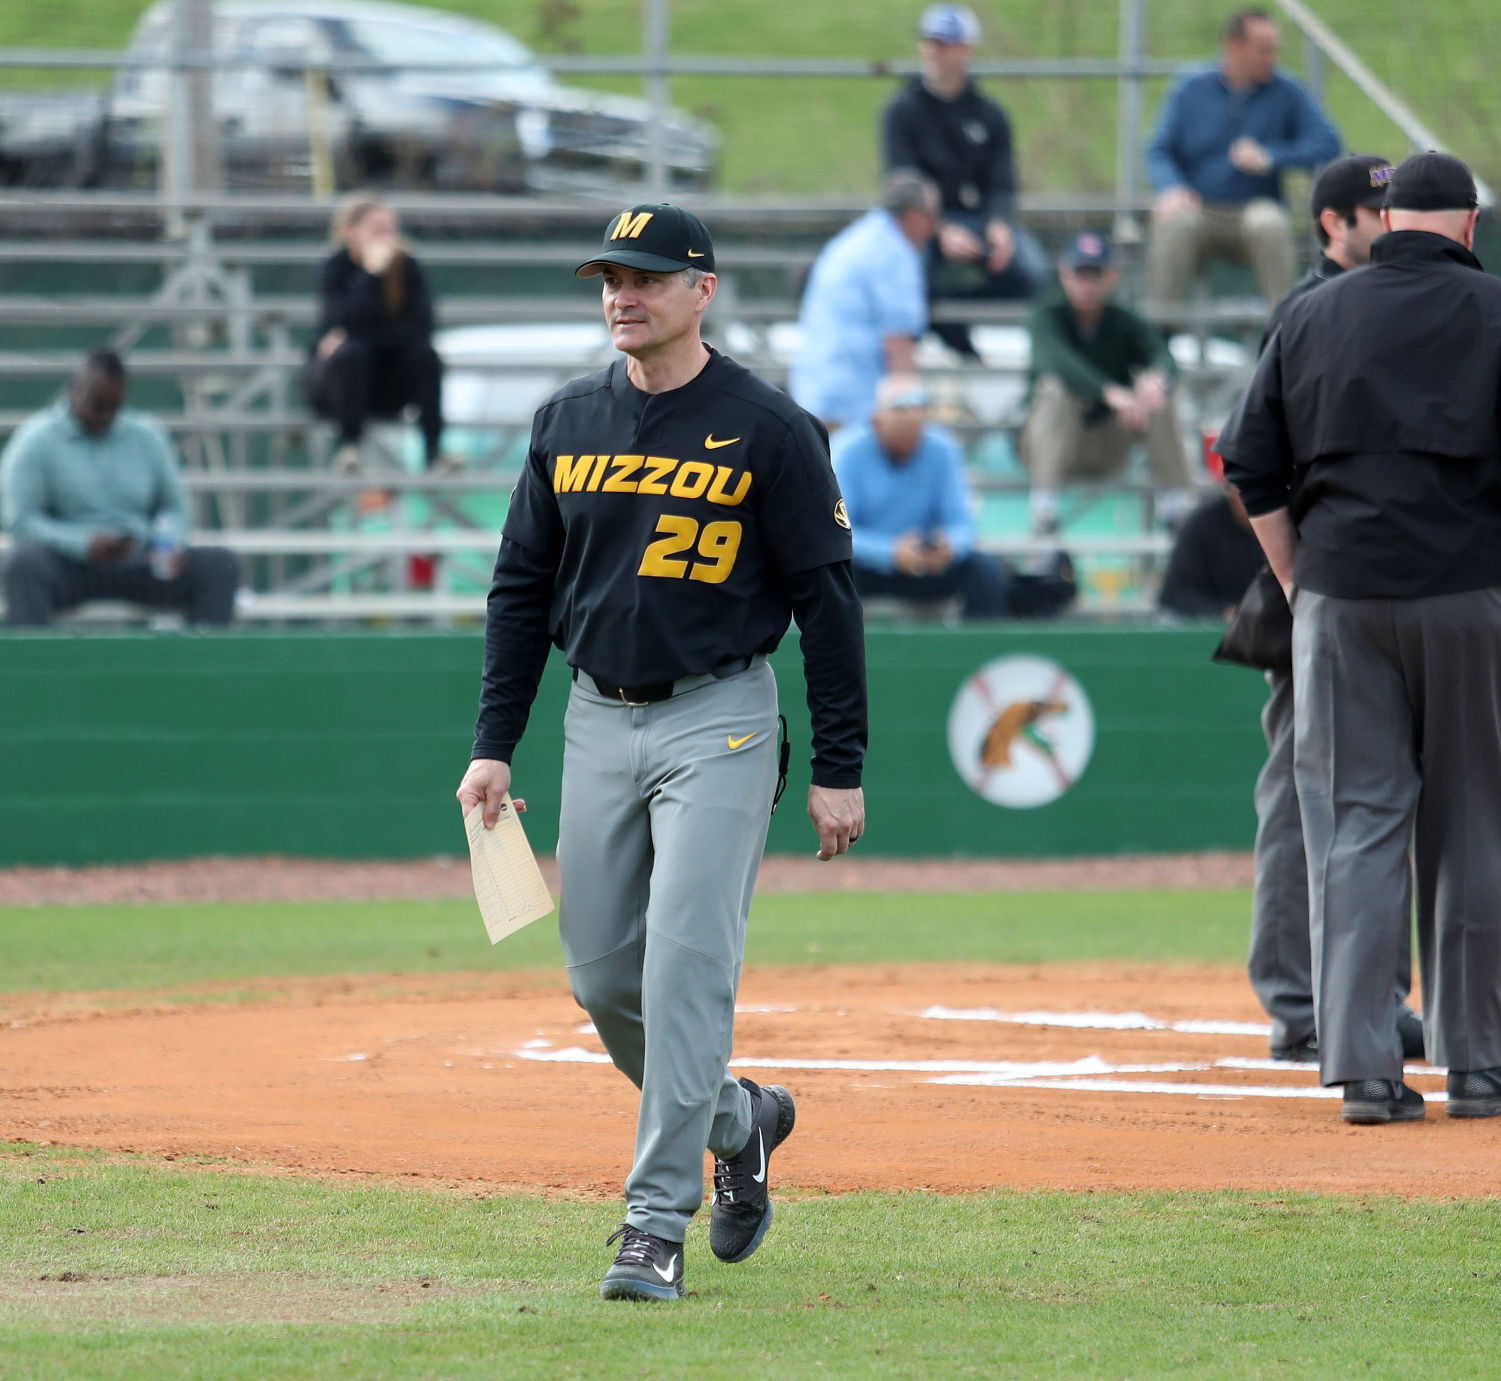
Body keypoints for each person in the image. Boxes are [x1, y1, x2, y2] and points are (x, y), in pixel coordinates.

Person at [455, 204, 868, 1300]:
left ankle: (653, 1225)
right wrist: (493, 744)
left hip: (720, 716)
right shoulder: (565, 421)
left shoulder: (769, 428)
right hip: (596, 716)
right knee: (600, 975)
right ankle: (741, 1119)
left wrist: (840, 764)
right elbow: (519, 593)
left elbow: (828, 604)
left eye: (643, 277)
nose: (620, 296)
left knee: (685, 966)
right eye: (608, 278)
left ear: (701, 290)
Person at [1216, 151, 1501, 1126]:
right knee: (1474, 825)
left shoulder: (1312, 312)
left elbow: (1248, 463)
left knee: (1355, 825)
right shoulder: (1495, 309)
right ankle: (1478, 1064)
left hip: (1339, 596)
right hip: (1471, 593)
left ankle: (1365, 1069)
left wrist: (1300, 579)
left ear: (1382, 219)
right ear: (1467, 223)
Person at [1164, 447, 1422, 1064]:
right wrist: (1291, 579)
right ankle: (1301, 1007)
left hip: (1412, 572)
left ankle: (1377, 1002)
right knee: (1299, 800)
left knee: (1385, 803)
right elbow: (1248, 449)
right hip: (1325, 574)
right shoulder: (1305, 348)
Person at [2, 350, 239, 627]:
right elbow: (22, 521)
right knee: (23, 564)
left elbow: (174, 506)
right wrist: (83, 543)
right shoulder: (35, 442)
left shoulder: (147, 437)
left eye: (114, 407)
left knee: (220, 565)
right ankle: (33, 667)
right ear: (74, 391)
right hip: (70, 567)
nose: (105, 415)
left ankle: (205, 666)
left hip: (139, 561)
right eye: (97, 404)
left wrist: (169, 541)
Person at [882, 4, 1051, 355]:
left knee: (1038, 273)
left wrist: (1000, 224)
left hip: (975, 222)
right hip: (920, 226)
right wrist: (939, 229)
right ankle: (961, 352)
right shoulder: (901, 111)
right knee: (910, 275)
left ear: (967, 49)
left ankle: (1040, 365)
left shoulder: (990, 114)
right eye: (929, 42)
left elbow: (1002, 182)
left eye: (944, 43)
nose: (933, 51)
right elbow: (902, 185)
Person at [835, 372, 1073, 621]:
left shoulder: (940, 448)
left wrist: (949, 547)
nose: (910, 447)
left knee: (983, 569)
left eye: (915, 436)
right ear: (877, 423)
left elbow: (963, 524)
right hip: (868, 567)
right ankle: (836, 653)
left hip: (926, 564)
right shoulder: (847, 452)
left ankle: (982, 653)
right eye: (902, 437)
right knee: (834, 572)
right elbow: (838, 534)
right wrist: (890, 552)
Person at [1146, 7, 1340, 306]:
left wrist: (1271, 157)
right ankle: (1161, 334)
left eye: (1275, 51)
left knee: (1271, 225)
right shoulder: (1191, 89)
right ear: (1233, 46)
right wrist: (1171, 187)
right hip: (1199, 206)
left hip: (1255, 208)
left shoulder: (1285, 91)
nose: (1271, 59)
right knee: (1174, 224)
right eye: (1263, 50)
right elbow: (1159, 151)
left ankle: (1285, 329)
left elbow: (1327, 143)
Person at [1020, 231, 1194, 534]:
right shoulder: (1045, 314)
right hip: (1047, 444)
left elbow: (1163, 357)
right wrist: (1110, 393)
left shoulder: (1123, 319)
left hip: (1107, 442)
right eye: (1080, 274)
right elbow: (1056, 363)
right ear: (1065, 274)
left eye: (1095, 275)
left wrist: (1155, 381)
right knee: (1055, 391)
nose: (1087, 284)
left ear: (1110, 277)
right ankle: (1043, 508)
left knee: (1157, 393)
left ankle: (1176, 507)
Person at [304, 193, 452, 471]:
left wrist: (358, 333)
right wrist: (371, 275)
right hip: (341, 387)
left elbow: (421, 327)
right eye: (377, 229)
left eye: (390, 229)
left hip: (390, 383)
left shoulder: (408, 267)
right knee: (354, 353)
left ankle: (434, 452)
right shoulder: (335, 267)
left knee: (425, 356)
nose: (387, 237)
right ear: (350, 232)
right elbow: (337, 320)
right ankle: (349, 446)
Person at [789, 171, 939, 429]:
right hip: (856, 402)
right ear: (915, 215)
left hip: (814, 391)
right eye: (933, 217)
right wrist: (912, 417)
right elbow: (899, 345)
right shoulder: (895, 254)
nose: (935, 228)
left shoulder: (860, 238)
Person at [1261, 153, 1394, 347]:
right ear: (1334, 224)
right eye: (1378, 212)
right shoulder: (1302, 314)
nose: (1393, 222)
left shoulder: (1415, 288)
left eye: (1399, 210)